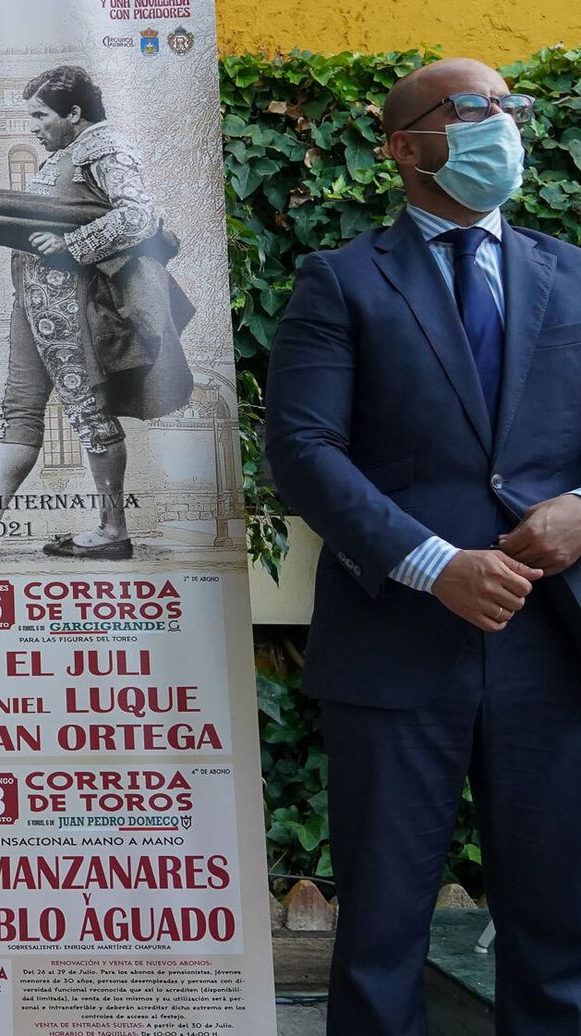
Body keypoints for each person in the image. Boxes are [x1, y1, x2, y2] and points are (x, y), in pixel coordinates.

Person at [267, 57, 581, 1035]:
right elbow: (302, 449)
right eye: (476, 109)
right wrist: (434, 562)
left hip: (552, 648)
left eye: (509, 107)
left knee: (560, 929)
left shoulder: (570, 272)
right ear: (406, 146)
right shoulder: (340, 280)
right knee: (379, 939)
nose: (503, 123)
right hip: (396, 644)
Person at [0, 64, 192, 560]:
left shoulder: (108, 147)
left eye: (41, 115)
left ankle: (112, 531)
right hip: (37, 301)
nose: (33, 126)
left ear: (75, 113)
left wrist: (73, 243)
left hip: (75, 303)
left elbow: (141, 216)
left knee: (90, 410)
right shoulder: (70, 153)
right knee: (19, 406)